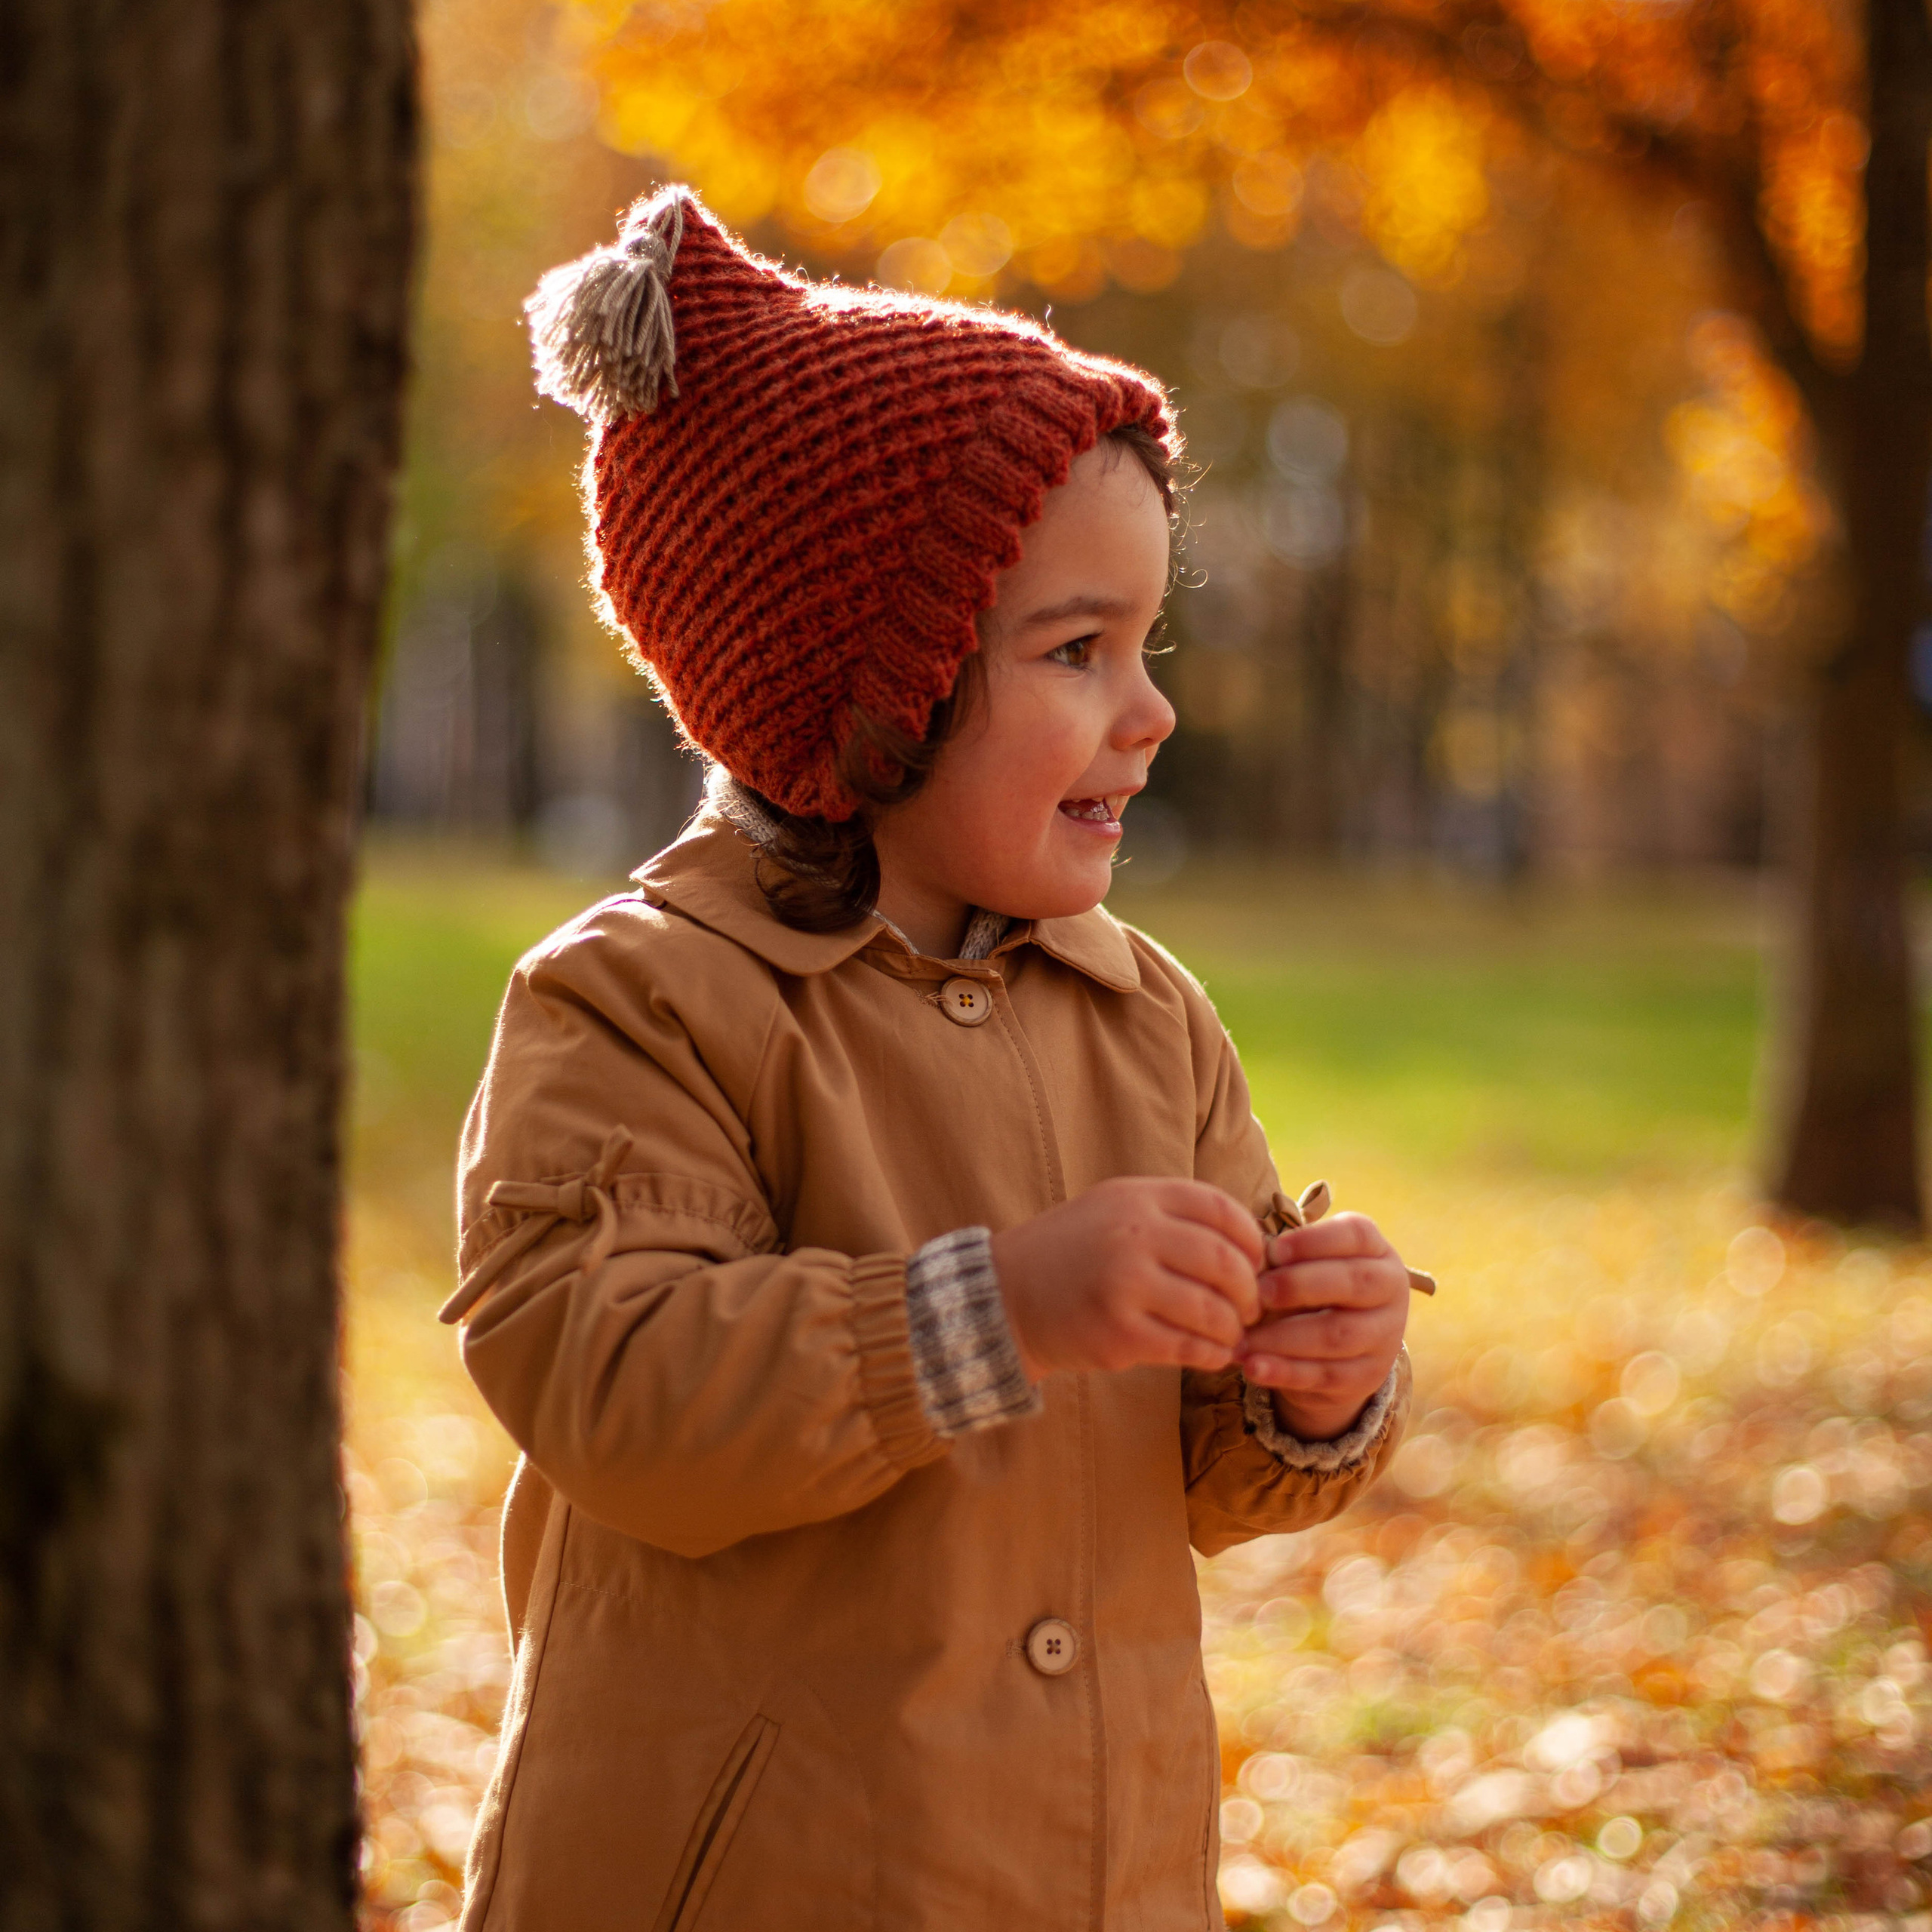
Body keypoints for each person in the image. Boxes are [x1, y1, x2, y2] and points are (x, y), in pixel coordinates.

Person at [441, 185, 1420, 1932]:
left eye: (1146, 642)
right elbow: (618, 1383)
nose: (1151, 708)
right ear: (865, 688)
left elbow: (1195, 1469)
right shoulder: (647, 1002)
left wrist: (1302, 1385)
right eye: (1073, 650)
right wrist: (996, 1308)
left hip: (1076, 1873)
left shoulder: (1145, 1015)